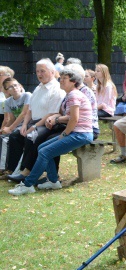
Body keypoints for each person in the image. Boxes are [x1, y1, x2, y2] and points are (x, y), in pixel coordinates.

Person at [9, 67, 94, 195]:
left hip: (81, 134)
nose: (61, 81)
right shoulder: (71, 94)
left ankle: (28, 184)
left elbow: (74, 119)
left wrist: (65, 133)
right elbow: (72, 117)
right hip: (78, 132)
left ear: (73, 82)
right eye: (61, 78)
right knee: (42, 147)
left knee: (44, 152)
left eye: (65, 79)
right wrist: (57, 119)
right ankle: (54, 181)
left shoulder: (73, 95)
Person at [6, 59, 65, 180]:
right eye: (37, 71)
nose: (39, 74)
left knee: (32, 136)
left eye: (43, 71)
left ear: (52, 72)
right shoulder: (38, 88)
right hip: (33, 121)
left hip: (49, 124)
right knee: (15, 136)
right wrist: (24, 125)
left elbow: (52, 114)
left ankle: (26, 171)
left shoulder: (57, 89)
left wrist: (33, 127)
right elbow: (29, 110)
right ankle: (14, 169)